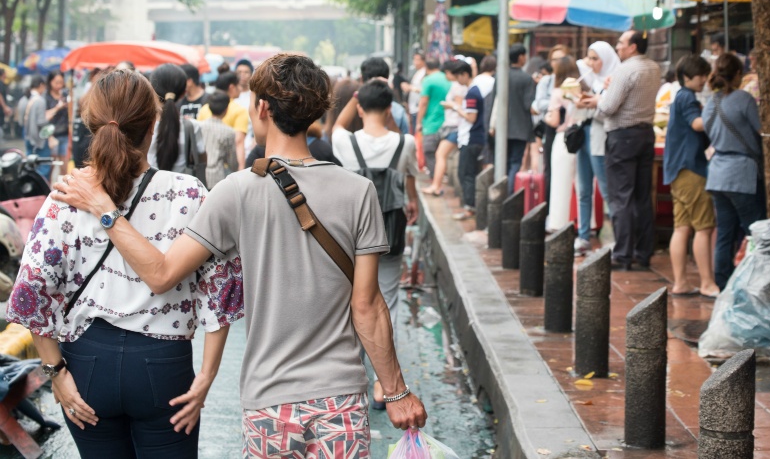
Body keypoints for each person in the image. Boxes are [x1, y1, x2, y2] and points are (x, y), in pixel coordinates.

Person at [54, 53, 427, 455]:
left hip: (269, 403)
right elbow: (367, 306)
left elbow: (161, 274)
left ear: (262, 107)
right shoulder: (358, 192)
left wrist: (105, 210)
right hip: (340, 399)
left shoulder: (235, 191)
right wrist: (396, 392)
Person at [9, 68, 242, 457]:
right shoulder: (189, 193)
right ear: (152, 125)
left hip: (86, 364)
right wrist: (206, 376)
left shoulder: (65, 196)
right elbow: (221, 291)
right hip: (164, 365)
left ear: (90, 125)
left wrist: (56, 373)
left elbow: (33, 292)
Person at [331, 78, 419, 408]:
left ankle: (356, 374)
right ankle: (385, 382)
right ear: (390, 108)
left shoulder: (344, 141)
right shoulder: (405, 142)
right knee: (389, 301)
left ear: (359, 106)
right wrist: (414, 202)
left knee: (355, 298)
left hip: (351, 232)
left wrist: (353, 101)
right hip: (391, 228)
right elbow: (409, 179)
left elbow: (336, 124)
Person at [583, 30, 662, 270]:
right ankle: (642, 251)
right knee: (641, 196)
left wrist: (597, 99)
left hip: (622, 136)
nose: (617, 47)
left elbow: (607, 107)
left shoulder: (626, 70)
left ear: (633, 47)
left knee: (621, 197)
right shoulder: (653, 68)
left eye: (621, 43)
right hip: (645, 134)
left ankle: (623, 254)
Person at [702, 53, 766, 290]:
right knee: (755, 232)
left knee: (724, 235)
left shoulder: (711, 103)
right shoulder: (744, 99)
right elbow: (762, 131)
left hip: (718, 174)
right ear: (738, 74)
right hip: (742, 174)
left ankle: (724, 284)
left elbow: (708, 130)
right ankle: (756, 283)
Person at [663, 55, 719, 298]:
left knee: (682, 227)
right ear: (687, 77)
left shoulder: (680, 97)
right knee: (704, 228)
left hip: (678, 170)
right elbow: (697, 124)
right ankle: (707, 283)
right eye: (701, 76)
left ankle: (681, 283)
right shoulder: (687, 97)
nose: (704, 80)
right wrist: (718, 112)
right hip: (691, 169)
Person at [573, 42, 620, 254]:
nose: (591, 63)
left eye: (595, 58)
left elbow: (610, 111)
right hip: (583, 135)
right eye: (589, 58)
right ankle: (583, 236)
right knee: (583, 189)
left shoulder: (615, 79)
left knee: (606, 188)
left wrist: (595, 104)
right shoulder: (588, 79)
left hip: (600, 137)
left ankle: (619, 237)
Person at [545, 58, 588, 233]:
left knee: (560, 184)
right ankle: (587, 224)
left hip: (564, 138)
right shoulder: (585, 90)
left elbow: (554, 121)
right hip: (583, 137)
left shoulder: (558, 92)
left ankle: (558, 224)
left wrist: (545, 117)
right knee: (584, 185)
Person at [446, 61, 486, 220]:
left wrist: (455, 108)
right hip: (472, 138)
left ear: (464, 74)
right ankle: (470, 206)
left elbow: (471, 117)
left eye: (458, 77)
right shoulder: (474, 91)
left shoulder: (472, 93)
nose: (458, 81)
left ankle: (470, 207)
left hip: (471, 138)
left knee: (466, 174)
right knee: (467, 173)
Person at [148, 64, 206, 174]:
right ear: (183, 93)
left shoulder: (140, 125)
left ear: (151, 90)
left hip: (147, 188)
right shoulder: (192, 126)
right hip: (182, 188)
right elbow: (202, 158)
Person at [421, 60, 468, 196]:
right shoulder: (455, 85)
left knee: (440, 154)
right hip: (453, 126)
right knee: (441, 155)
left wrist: (450, 105)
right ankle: (436, 185)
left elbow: (459, 107)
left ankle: (436, 186)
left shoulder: (458, 87)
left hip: (455, 127)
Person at [532, 45, 571, 203]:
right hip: (551, 128)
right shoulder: (547, 81)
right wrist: (558, 101)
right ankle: (548, 206)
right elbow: (538, 103)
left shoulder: (572, 80)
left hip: (571, 129)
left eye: (561, 59)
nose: (557, 63)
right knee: (550, 168)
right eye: (554, 59)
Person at [503, 43, 537, 194]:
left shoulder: (501, 76)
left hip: (502, 128)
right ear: (521, 57)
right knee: (516, 162)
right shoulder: (527, 79)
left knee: (504, 162)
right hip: (520, 128)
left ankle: (502, 194)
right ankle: (510, 195)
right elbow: (529, 105)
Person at [198, 72, 249, 169]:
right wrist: (240, 168)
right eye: (238, 85)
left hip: (204, 166)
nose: (241, 89)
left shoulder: (204, 109)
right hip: (225, 168)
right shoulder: (239, 111)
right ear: (232, 87)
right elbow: (238, 142)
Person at [416, 57, 451, 175]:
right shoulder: (447, 78)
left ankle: (435, 179)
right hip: (447, 121)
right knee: (443, 154)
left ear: (426, 67)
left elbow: (423, 102)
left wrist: (419, 122)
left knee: (429, 152)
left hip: (431, 122)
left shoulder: (428, 80)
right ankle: (443, 177)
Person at [198, 90, 239, 189]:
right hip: (217, 178)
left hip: (199, 175)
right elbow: (232, 160)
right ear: (226, 109)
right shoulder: (228, 132)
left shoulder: (198, 126)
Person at [23, 75, 51, 179]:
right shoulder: (39, 100)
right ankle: (42, 192)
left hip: (28, 137)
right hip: (39, 139)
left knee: (31, 166)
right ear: (41, 85)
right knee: (43, 167)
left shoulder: (25, 98)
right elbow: (41, 122)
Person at [45, 71, 70, 169]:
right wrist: (58, 107)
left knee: (64, 166)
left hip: (64, 134)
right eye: (56, 82)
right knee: (51, 166)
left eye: (61, 82)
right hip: (52, 136)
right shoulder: (46, 97)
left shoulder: (65, 94)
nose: (59, 85)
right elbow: (45, 116)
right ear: (50, 82)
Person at [407, 51, 427, 133]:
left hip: (418, 108)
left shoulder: (425, 73)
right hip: (413, 108)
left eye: (417, 59)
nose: (415, 62)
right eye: (414, 59)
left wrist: (411, 88)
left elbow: (425, 91)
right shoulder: (417, 72)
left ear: (423, 61)